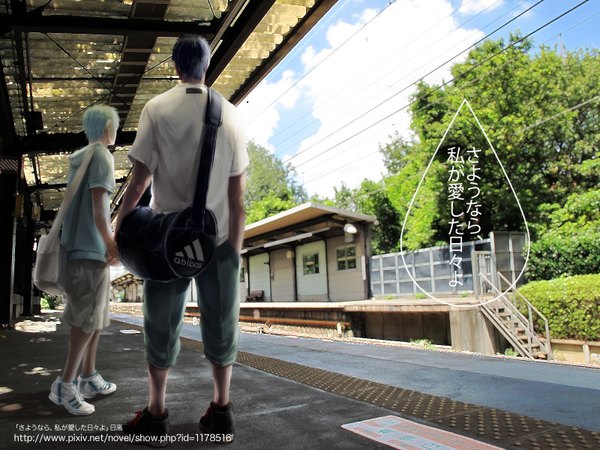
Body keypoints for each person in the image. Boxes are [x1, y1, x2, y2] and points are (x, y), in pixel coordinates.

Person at [115, 35, 248, 444]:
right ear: (206, 67)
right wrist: (232, 253)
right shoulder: (231, 115)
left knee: (160, 326)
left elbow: (139, 181)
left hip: (166, 244)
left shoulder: (156, 109)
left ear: (175, 67)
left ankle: (156, 413)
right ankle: (221, 408)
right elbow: (236, 198)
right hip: (220, 239)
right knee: (222, 325)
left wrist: (118, 231)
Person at [48, 105, 120, 416]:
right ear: (107, 127)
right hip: (91, 251)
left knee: (96, 318)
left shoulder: (81, 159)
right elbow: (99, 210)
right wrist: (111, 243)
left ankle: (88, 376)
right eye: (114, 126)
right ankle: (66, 385)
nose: (115, 131)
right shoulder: (103, 156)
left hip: (78, 249)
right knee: (86, 320)